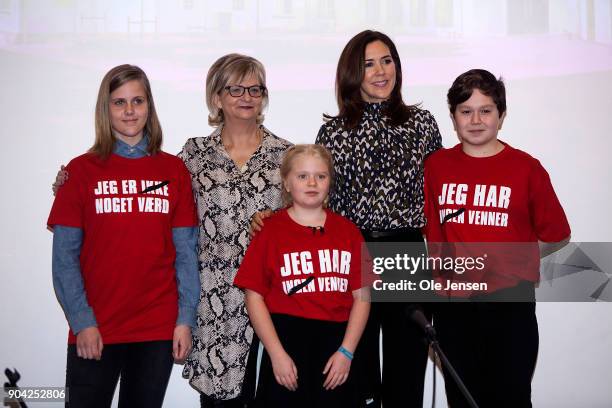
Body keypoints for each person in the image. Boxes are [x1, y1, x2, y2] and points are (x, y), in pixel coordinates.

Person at [47, 64, 200, 408]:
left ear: (149, 106)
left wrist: (184, 319)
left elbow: (186, 253)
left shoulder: (173, 170)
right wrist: (82, 321)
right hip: (95, 329)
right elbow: (64, 260)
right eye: (119, 103)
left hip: (156, 330)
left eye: (137, 101)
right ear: (106, 109)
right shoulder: (80, 171)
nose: (130, 111)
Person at [424, 69, 571, 407]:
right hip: (454, 307)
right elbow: (431, 233)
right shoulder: (436, 166)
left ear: (501, 116)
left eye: (486, 110)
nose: (476, 120)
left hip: (510, 305)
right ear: (453, 117)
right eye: (465, 111)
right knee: (463, 399)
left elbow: (558, 233)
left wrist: (513, 262)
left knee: (511, 398)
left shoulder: (526, 168)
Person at [315, 30, 442, 407]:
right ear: (352, 73)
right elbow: (322, 203)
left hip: (405, 251)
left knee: (407, 371)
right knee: (359, 376)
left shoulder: (422, 123)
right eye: (368, 64)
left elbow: (437, 196)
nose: (380, 71)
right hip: (354, 254)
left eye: (387, 60)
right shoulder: (333, 132)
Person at [179, 54, 292, 407]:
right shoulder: (194, 154)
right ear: (217, 98)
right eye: (236, 89)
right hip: (214, 304)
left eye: (255, 89)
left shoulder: (286, 156)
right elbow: (155, 192)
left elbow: (311, 222)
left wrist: (280, 224)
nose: (247, 97)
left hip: (272, 302)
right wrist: (73, 183)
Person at [234, 144, 371, 408]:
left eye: (321, 176)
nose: (312, 183)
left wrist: (347, 351)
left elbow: (363, 297)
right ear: (286, 182)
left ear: (330, 182)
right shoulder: (269, 231)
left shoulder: (350, 232)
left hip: (336, 346)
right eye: (302, 176)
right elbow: (253, 297)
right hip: (286, 343)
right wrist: (276, 354)